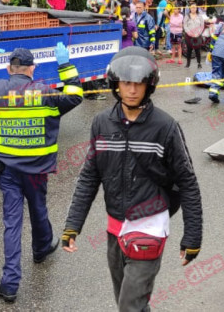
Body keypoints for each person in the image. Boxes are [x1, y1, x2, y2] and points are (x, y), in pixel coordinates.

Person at [62, 46, 203, 312]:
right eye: (126, 82)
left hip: (150, 227)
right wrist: (73, 225)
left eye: (139, 83)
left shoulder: (165, 126)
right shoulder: (101, 123)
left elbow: (187, 181)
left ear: (150, 85)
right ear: (115, 84)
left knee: (129, 305)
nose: (132, 90)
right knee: (127, 302)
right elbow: (89, 176)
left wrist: (193, 236)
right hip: (115, 228)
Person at [0, 44, 84, 303]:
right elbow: (75, 95)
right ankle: (42, 248)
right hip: (36, 170)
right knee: (38, 208)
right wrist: (65, 65)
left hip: (6, 170)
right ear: (32, 69)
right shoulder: (44, 92)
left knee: (12, 223)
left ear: (9, 69)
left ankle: (10, 284)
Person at [184, 2, 206, 69]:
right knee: (189, 50)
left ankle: (199, 63)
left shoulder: (200, 16)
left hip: (197, 35)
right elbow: (185, 25)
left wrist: (198, 33)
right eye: (192, 7)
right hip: (189, 35)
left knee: (197, 50)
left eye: (194, 7)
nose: (193, 9)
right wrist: (190, 33)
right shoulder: (187, 16)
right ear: (190, 8)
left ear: (196, 8)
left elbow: (202, 26)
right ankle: (188, 63)